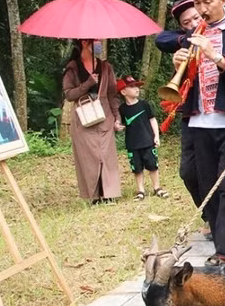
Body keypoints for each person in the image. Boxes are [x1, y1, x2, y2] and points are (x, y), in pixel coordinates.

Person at [162, 0, 225, 265]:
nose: (202, 9)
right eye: (198, 3)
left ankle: (224, 251)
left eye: (207, 2)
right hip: (199, 121)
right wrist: (179, 63)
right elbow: (181, 73)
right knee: (208, 187)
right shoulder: (193, 34)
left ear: (223, 0)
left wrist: (215, 56)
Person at [155, 0, 205, 219]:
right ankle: (208, 215)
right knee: (188, 172)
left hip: (220, 114)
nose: (193, 24)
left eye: (196, 18)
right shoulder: (185, 41)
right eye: (186, 22)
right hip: (191, 113)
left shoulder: (222, 34)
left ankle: (221, 222)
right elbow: (161, 39)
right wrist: (180, 60)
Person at [62, 39, 122, 204]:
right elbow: (69, 95)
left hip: (105, 116)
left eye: (99, 40)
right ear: (84, 42)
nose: (98, 43)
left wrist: (117, 117)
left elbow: (112, 94)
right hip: (84, 118)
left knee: (106, 155)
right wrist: (87, 84)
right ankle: (94, 196)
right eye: (95, 40)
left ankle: (109, 194)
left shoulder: (106, 67)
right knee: (89, 158)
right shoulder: (72, 68)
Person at [116, 76, 170, 201]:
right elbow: (121, 123)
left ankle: (157, 187)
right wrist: (117, 126)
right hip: (132, 144)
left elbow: (152, 120)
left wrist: (156, 136)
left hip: (148, 141)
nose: (136, 89)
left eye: (137, 86)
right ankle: (140, 190)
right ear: (123, 92)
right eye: (132, 86)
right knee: (137, 168)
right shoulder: (122, 109)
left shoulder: (144, 104)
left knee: (153, 165)